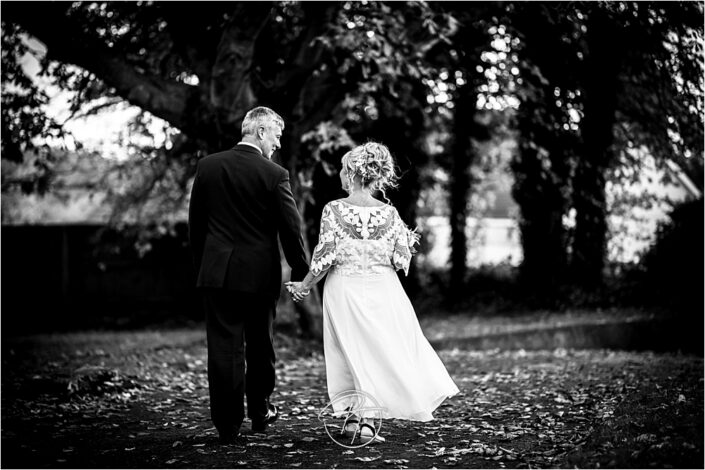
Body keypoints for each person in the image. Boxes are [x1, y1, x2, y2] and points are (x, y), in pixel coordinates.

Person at [286, 142, 459, 443]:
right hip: (384, 290)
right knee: (373, 352)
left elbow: (326, 258)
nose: (339, 174)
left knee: (352, 352)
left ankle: (364, 420)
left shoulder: (333, 210)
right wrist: (406, 239)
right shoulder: (390, 214)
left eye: (342, 168)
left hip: (345, 289)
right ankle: (358, 417)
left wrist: (304, 286)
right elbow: (401, 260)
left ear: (353, 173)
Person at [188, 106, 309, 444]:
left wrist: (203, 268)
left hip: (217, 274)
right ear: (260, 132)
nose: (278, 144)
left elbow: (196, 226)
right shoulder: (274, 174)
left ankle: (227, 424)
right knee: (260, 346)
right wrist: (301, 271)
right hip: (259, 275)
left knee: (223, 347)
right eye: (276, 135)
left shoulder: (208, 166)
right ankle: (260, 411)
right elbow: (290, 228)